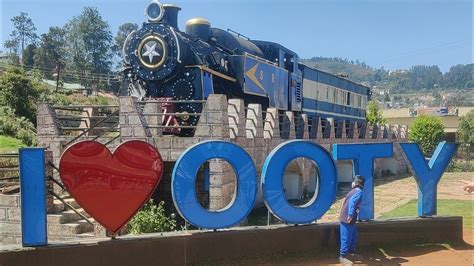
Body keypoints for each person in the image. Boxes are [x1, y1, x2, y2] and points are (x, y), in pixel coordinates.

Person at [339, 175, 365, 265]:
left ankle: (350, 253)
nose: (352, 183)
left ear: (356, 183)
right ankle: (342, 256)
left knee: (353, 236)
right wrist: (350, 215)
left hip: (350, 219)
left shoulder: (354, 191)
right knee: (346, 237)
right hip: (347, 219)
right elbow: (352, 202)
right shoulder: (358, 191)